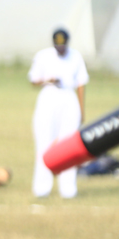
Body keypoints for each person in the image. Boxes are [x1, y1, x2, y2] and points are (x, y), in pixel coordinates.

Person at [29, 27, 87, 199]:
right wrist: (48, 80)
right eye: (57, 45)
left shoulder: (76, 56)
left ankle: (68, 189)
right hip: (49, 95)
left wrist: (81, 110)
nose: (60, 48)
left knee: (68, 145)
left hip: (68, 97)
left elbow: (81, 83)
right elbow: (33, 80)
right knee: (44, 141)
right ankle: (42, 188)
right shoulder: (43, 56)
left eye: (62, 45)